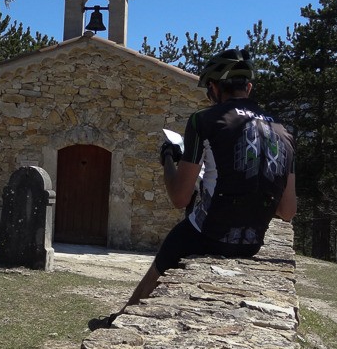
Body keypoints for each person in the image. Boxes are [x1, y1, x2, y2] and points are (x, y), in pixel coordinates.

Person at [123, 48, 296, 308]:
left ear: (214, 88)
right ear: (248, 87)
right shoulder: (284, 133)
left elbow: (179, 198)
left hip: (210, 235)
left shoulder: (202, 121)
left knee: (176, 239)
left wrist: (169, 159)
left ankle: (125, 314)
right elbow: (287, 211)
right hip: (252, 243)